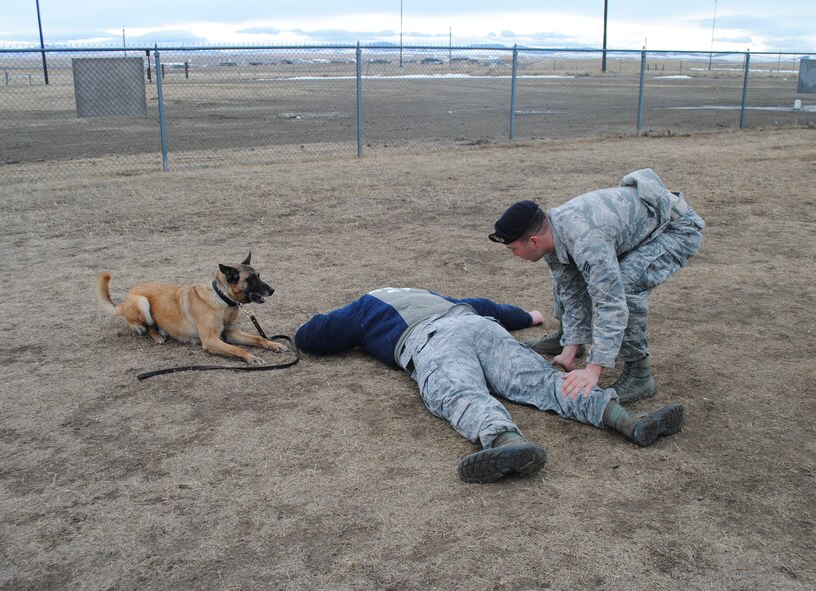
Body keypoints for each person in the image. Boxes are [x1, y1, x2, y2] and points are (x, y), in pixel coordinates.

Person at [294, 287, 685, 484]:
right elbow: (488, 306)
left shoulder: (365, 306)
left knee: (461, 394)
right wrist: (530, 317)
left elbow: (318, 336)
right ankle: (627, 419)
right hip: (478, 326)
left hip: (431, 340)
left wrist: (301, 330)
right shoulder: (436, 296)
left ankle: (507, 443)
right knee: (544, 381)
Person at [489, 168, 705, 404]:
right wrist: (570, 348)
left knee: (624, 285)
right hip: (639, 227)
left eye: (514, 249)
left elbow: (610, 302)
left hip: (675, 229)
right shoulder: (553, 234)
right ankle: (570, 340)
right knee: (567, 279)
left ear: (533, 241)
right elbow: (572, 292)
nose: (514, 255)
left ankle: (639, 375)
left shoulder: (585, 240)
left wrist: (593, 369)